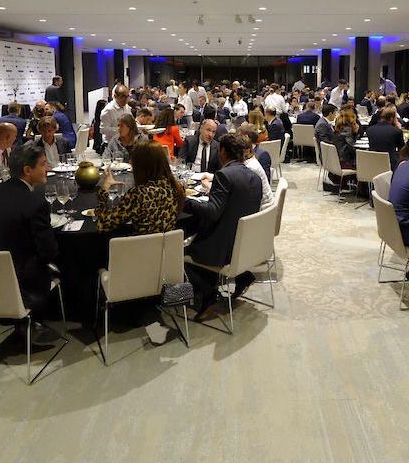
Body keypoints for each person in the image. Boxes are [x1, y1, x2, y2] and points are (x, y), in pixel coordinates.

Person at [0, 145, 62, 343]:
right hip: (23, 287)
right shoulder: (35, 203)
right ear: (27, 170)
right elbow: (48, 251)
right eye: (43, 164)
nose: (47, 168)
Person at [183, 133, 265, 318]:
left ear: (222, 151)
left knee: (180, 252)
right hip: (243, 244)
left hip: (223, 247)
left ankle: (209, 295)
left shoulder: (224, 175)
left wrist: (185, 202)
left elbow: (212, 212)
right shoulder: (254, 177)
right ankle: (243, 276)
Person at [96, 142, 185, 235]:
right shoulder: (177, 187)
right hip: (168, 243)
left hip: (139, 244)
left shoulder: (139, 194)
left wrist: (104, 189)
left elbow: (103, 225)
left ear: (141, 166)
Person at [237, 124, 276, 196]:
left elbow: (265, 182)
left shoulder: (262, 155)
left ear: (246, 138)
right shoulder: (242, 153)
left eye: (239, 137)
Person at [367, 106, 406, 171]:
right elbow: (402, 149)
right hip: (390, 165)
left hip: (372, 164)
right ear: (392, 118)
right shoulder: (396, 131)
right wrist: (399, 128)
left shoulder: (369, 130)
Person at [328, 109, 359, 180]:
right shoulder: (347, 133)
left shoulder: (338, 131)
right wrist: (356, 133)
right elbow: (353, 150)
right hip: (345, 163)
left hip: (336, 163)